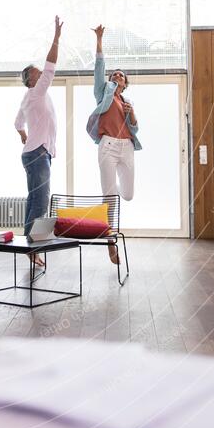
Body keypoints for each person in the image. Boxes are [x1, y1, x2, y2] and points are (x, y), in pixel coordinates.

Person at [86, 24, 142, 264]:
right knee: (109, 198)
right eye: (114, 74)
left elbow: (136, 129)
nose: (116, 76)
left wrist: (132, 113)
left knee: (127, 195)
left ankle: (112, 195)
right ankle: (110, 242)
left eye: (121, 75)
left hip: (127, 147)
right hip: (108, 146)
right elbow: (99, 68)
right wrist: (99, 39)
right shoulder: (104, 92)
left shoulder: (126, 101)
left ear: (126, 83)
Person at [15, 16, 63, 266]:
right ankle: (34, 249)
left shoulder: (29, 97)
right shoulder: (37, 92)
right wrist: (56, 38)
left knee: (34, 200)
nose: (42, 73)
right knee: (41, 201)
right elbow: (51, 64)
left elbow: (17, 124)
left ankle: (29, 246)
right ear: (32, 80)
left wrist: (24, 136)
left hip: (34, 153)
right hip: (37, 154)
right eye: (38, 73)